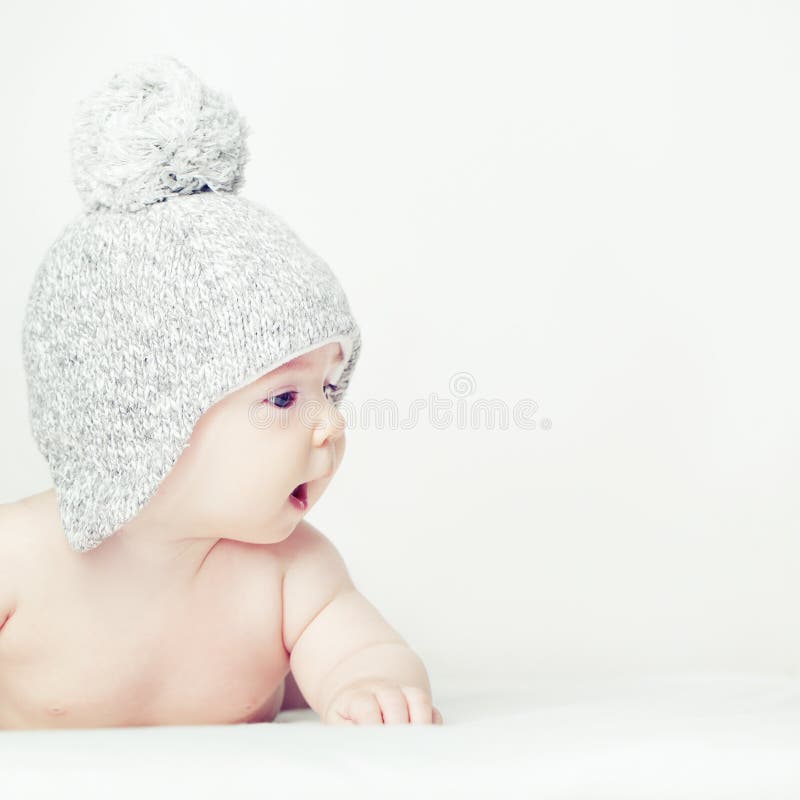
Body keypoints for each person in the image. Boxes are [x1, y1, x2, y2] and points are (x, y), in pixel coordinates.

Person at [0, 54, 443, 729]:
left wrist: (367, 685)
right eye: (285, 399)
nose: (331, 425)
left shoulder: (292, 574)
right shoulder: (21, 557)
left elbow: (370, 651)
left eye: (329, 387)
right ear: (140, 418)